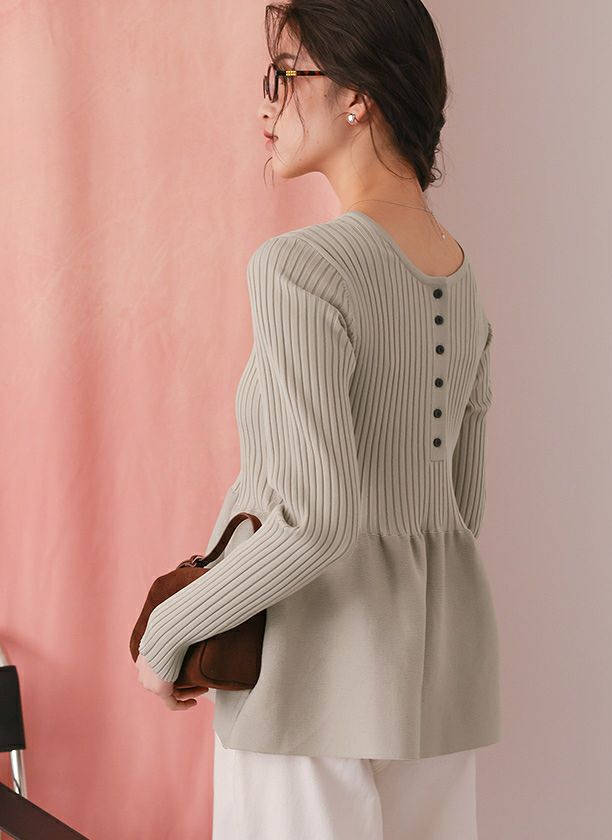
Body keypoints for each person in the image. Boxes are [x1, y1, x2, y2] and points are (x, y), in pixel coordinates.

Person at [135, 1, 499, 837]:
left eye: (284, 75)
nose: (267, 104)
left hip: (306, 685)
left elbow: (317, 523)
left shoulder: (298, 269)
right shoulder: (462, 278)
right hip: (434, 690)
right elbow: (462, 510)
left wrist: (167, 635)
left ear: (356, 95)